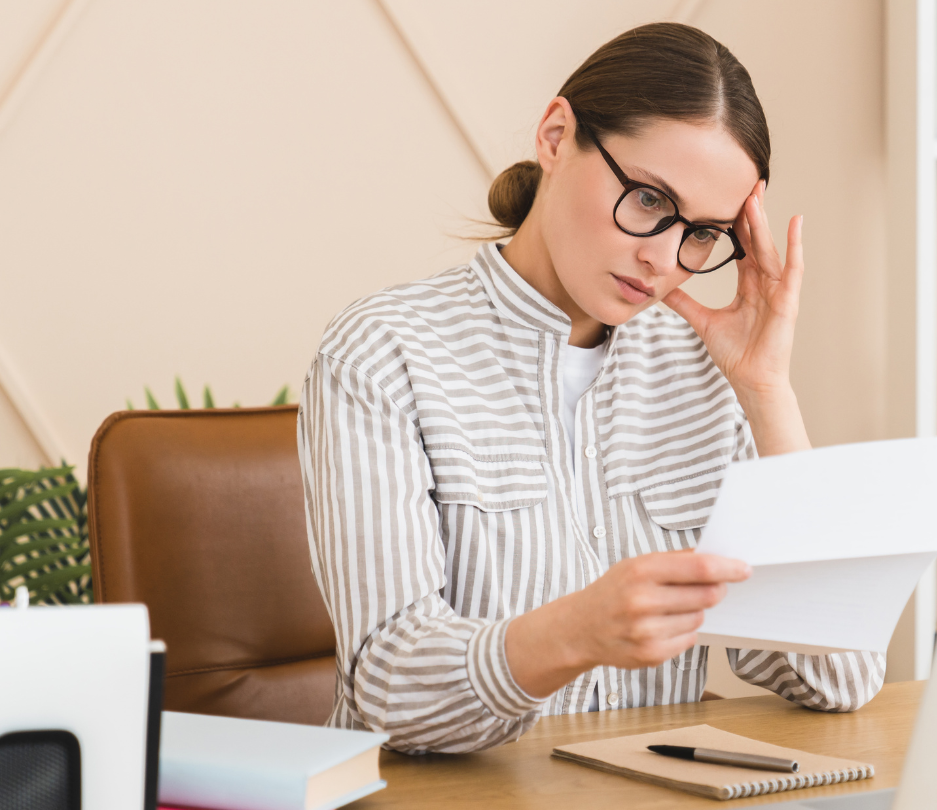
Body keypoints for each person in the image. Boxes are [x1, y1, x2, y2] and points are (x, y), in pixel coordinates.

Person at [297, 22, 884, 754]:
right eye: (646, 199)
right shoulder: (383, 352)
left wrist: (768, 393)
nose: (663, 258)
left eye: (702, 233)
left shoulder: (699, 368)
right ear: (554, 135)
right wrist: (570, 634)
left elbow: (843, 678)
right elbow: (390, 692)